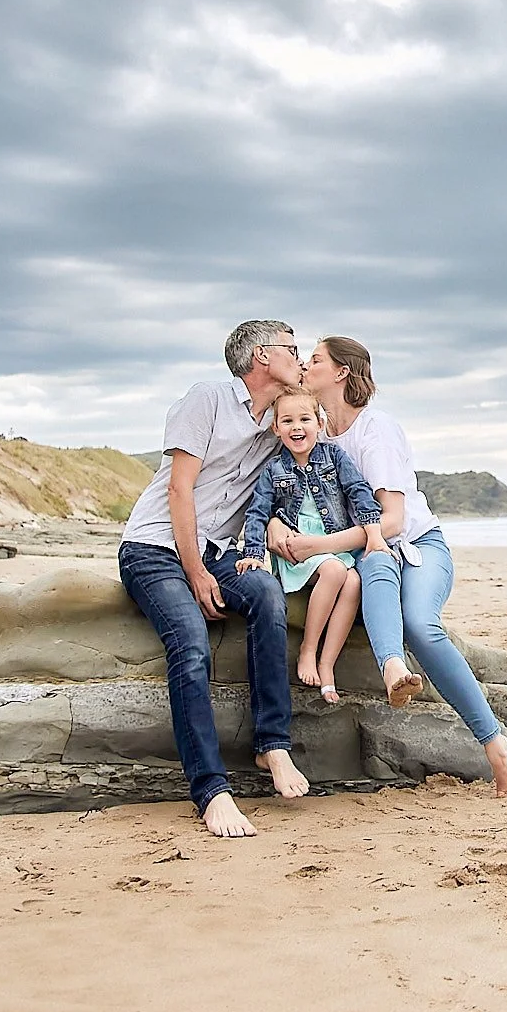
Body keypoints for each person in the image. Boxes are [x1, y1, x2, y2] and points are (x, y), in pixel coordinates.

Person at [298, 336, 507, 796]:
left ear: (342, 372)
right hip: (372, 553)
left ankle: (497, 745)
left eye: (315, 359)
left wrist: (315, 544)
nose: (305, 363)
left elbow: (394, 520)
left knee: (421, 624)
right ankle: (392, 672)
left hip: (420, 544)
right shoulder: (316, 434)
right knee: (374, 568)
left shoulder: (375, 428)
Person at [116, 320, 312, 838]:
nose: (300, 357)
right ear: (263, 357)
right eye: (293, 350)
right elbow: (181, 490)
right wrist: (196, 571)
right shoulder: (206, 399)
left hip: (219, 551)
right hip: (155, 548)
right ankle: (211, 791)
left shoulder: (279, 421)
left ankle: (273, 745)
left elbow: (318, 440)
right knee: (192, 642)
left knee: (267, 594)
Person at [235, 388, 390, 703]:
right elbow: (257, 513)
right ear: (276, 428)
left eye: (304, 419)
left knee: (354, 581)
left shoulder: (334, 457)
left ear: (319, 423)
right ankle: (307, 650)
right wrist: (254, 554)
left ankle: (327, 663)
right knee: (334, 571)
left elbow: (359, 491)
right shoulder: (273, 470)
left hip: (332, 542)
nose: (297, 427)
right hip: (298, 547)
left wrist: (374, 533)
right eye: (287, 421)